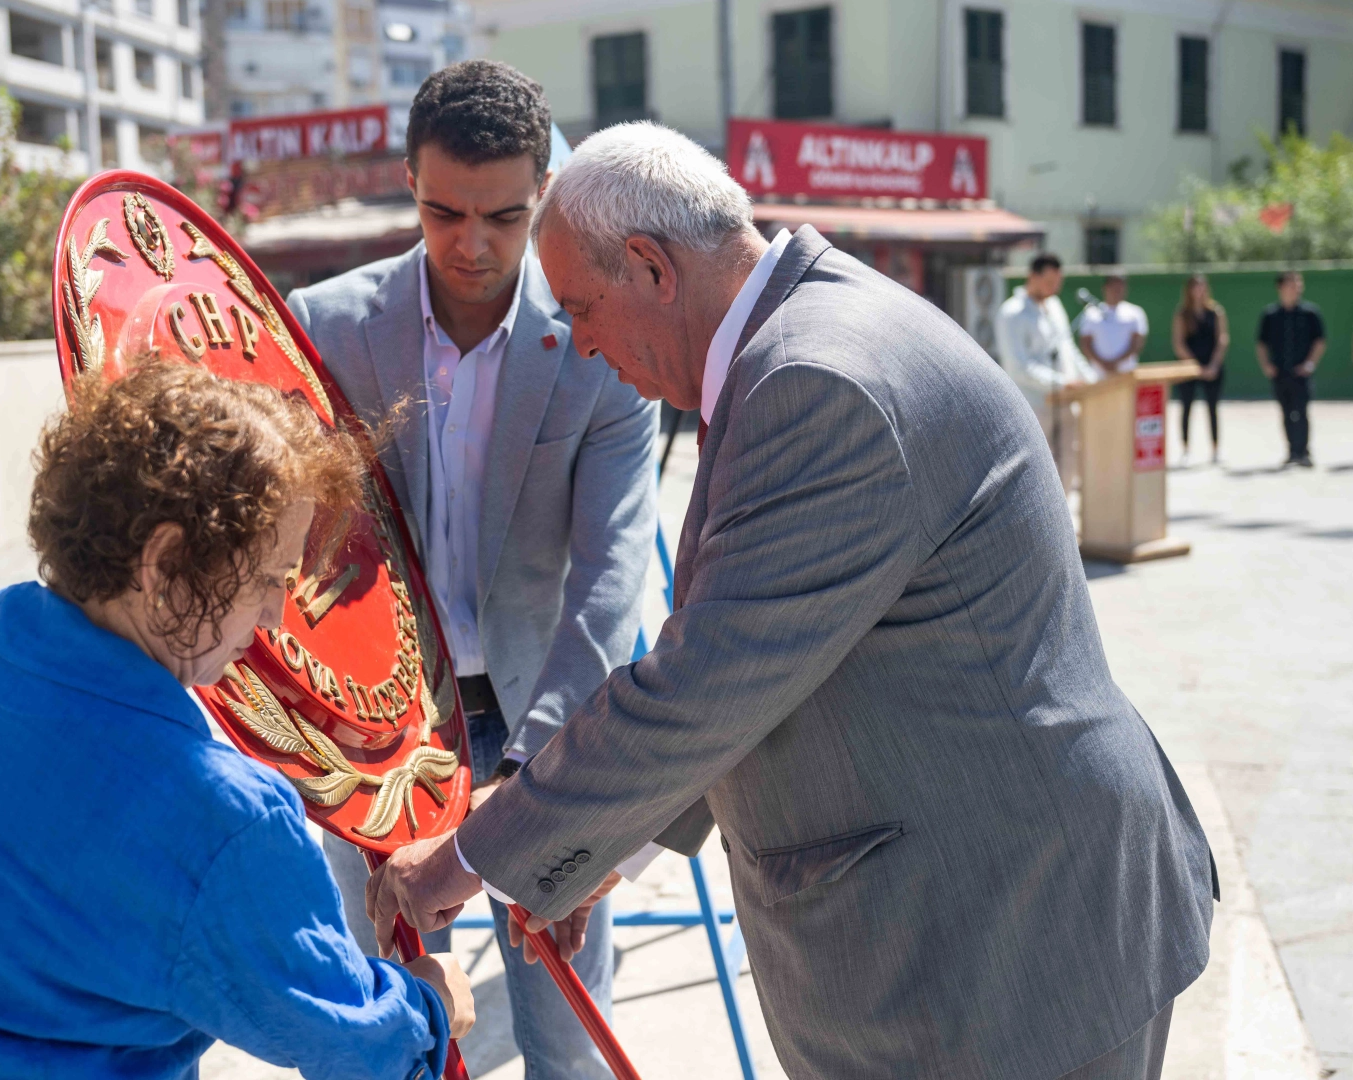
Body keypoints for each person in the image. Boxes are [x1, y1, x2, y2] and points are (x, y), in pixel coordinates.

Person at [367, 123, 1216, 1080]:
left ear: (650, 267)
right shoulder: (801, 339)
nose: (581, 344)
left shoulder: (815, 380)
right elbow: (772, 659)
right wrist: (601, 843)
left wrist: (471, 856)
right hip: (988, 916)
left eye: (580, 308)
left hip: (1007, 946)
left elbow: (705, 684)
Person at [0, 364, 473, 1080]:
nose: (273, 618)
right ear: (163, 562)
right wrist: (431, 1004)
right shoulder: (221, 820)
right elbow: (359, 1050)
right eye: (265, 579)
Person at [286, 60, 658, 1080]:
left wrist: (536, 771)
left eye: (503, 216)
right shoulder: (323, 328)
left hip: (547, 714)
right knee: (391, 1027)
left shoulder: (597, 341)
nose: (472, 244)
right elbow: (294, 550)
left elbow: (609, 580)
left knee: (567, 1035)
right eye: (443, 212)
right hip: (377, 730)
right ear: (408, 181)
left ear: (545, 191)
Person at [994, 252, 1095, 491]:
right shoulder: (1011, 313)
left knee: (1068, 462)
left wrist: (1090, 379)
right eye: (1049, 282)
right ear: (1033, 276)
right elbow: (1018, 367)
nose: (1054, 288)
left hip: (1066, 401)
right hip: (1035, 405)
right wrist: (1061, 382)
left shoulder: (1054, 306)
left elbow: (1067, 347)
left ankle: (1064, 512)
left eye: (1057, 282)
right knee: (1037, 469)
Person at [1256, 270, 1325, 467]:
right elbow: (1261, 343)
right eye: (1292, 283)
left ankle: (1304, 451)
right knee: (1286, 412)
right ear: (1280, 287)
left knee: (1301, 411)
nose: (1297, 287)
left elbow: (1319, 341)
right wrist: (1266, 365)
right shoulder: (1270, 315)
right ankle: (1292, 451)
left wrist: (1309, 364)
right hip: (1280, 372)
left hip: (1301, 373)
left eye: (1299, 283)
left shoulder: (1310, 313)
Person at [1171, 274, 1230, 466]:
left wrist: (1213, 365)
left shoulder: (1216, 311)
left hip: (1212, 367)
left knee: (1212, 408)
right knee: (1186, 407)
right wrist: (1195, 367)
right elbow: (1179, 344)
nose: (1199, 290)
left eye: (1202, 286)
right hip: (1188, 368)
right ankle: (1186, 450)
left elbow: (1222, 339)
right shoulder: (1182, 314)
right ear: (1188, 290)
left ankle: (1215, 449)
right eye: (1195, 286)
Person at [1079, 273, 1148, 376]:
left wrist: (1116, 363)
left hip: (1126, 374)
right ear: (1105, 288)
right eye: (1114, 287)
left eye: (1121, 287)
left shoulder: (1136, 313)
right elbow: (1085, 344)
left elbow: (1137, 343)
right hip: (1097, 376)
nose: (1117, 291)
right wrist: (1103, 364)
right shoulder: (1091, 313)